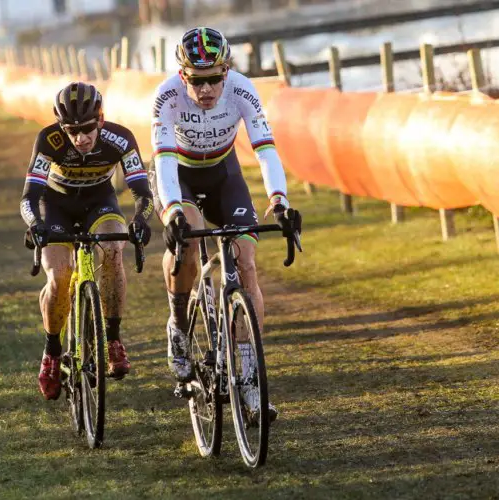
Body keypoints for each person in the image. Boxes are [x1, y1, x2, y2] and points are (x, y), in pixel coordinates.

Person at [149, 27, 302, 422]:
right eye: (197, 80)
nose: (206, 89)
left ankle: (250, 379)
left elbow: (265, 149)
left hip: (223, 175)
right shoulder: (166, 95)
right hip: (178, 176)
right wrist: (172, 213)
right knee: (186, 243)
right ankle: (179, 328)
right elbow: (164, 160)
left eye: (215, 78)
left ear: (227, 71)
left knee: (246, 263)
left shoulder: (242, 89)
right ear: (183, 76)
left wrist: (280, 201)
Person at [20, 82, 154, 400]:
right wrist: (35, 224)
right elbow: (29, 196)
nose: (80, 138)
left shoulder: (120, 138)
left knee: (112, 249)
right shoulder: (48, 140)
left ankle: (113, 340)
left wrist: (141, 220)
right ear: (61, 126)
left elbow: (142, 192)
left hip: (100, 203)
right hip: (56, 208)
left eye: (88, 129)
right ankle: (52, 353)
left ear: (101, 120)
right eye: (72, 130)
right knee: (59, 276)